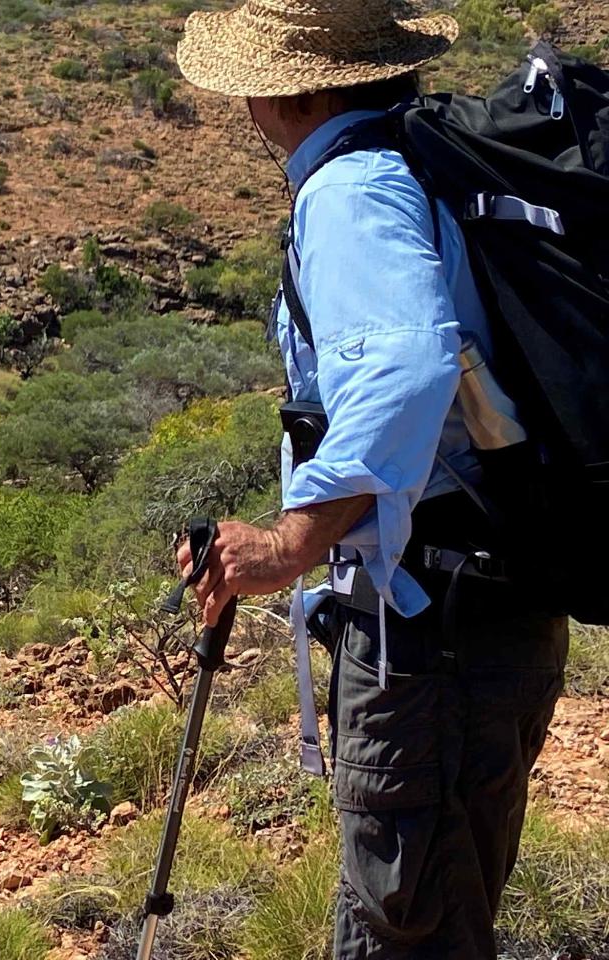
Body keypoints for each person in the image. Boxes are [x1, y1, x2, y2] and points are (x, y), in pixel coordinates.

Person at [173, 3, 567, 958]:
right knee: (440, 903)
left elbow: (406, 366)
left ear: (299, 89)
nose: (249, 106)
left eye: (257, 82)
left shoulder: (349, 188)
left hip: (431, 630)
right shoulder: (428, 164)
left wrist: (289, 541)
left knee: (408, 927)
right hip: (493, 601)